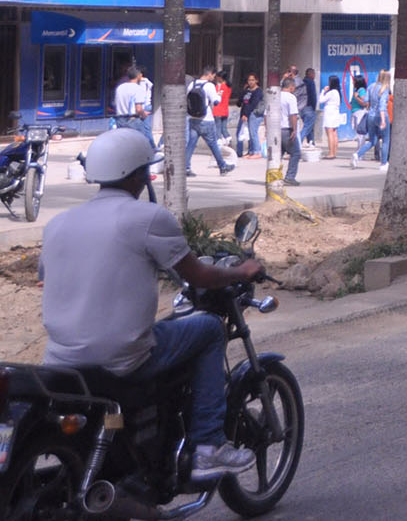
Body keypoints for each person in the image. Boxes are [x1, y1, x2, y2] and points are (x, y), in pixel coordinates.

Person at [40, 129, 262, 480]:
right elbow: (198, 275)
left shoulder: (57, 224)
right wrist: (242, 270)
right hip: (119, 357)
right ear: (138, 175)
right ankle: (208, 446)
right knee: (207, 329)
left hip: (60, 360)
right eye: (146, 170)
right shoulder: (147, 218)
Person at [184, 68, 235, 176]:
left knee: (191, 144)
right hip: (206, 120)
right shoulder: (209, 86)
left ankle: (186, 167)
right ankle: (223, 166)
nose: (214, 78)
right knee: (213, 144)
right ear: (210, 74)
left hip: (193, 119)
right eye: (213, 75)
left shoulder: (192, 84)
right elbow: (216, 102)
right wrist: (219, 96)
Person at [271, 75, 302, 186]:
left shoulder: (274, 96)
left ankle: (273, 177)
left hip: (274, 130)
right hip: (286, 129)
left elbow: (266, 114)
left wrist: (267, 129)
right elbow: (293, 115)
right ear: (291, 87)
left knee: (277, 155)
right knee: (296, 153)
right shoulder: (290, 97)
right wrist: (294, 129)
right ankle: (289, 177)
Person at [112, 65, 152, 144]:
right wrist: (144, 115)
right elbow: (139, 109)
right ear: (139, 75)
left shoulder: (120, 87)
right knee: (137, 144)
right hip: (133, 120)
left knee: (123, 143)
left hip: (120, 119)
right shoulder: (138, 89)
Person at [235, 74, 263, 159]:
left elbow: (253, 104)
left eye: (252, 80)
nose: (250, 82)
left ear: (256, 80)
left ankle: (256, 152)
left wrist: (246, 114)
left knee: (253, 133)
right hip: (244, 114)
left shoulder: (258, 91)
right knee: (241, 133)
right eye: (249, 80)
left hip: (254, 114)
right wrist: (243, 92)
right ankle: (250, 151)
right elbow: (239, 103)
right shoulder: (247, 91)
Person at [318, 75, 344, 160]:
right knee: (334, 133)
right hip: (335, 112)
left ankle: (331, 153)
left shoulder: (331, 92)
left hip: (329, 112)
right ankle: (334, 152)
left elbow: (321, 100)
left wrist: (323, 91)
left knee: (329, 133)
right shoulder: (337, 92)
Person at [298, 68, 318, 147]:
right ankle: (298, 141)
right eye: (313, 74)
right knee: (307, 127)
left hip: (301, 108)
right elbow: (313, 96)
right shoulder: (310, 82)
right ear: (310, 74)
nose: (314, 76)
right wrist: (313, 107)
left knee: (310, 127)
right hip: (309, 107)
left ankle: (311, 143)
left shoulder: (302, 82)